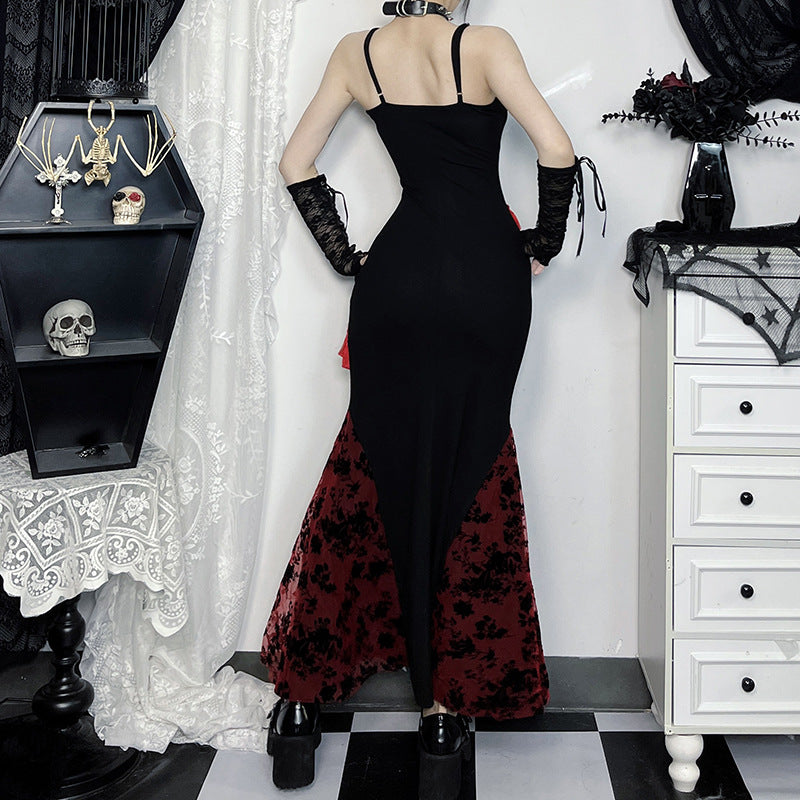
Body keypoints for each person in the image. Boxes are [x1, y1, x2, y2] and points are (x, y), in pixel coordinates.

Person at [261, 1, 584, 797]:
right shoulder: (486, 44)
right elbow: (557, 148)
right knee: (471, 464)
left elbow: (295, 161)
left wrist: (347, 257)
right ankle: (443, 716)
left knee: (368, 463)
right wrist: (539, 244)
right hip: (484, 278)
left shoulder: (356, 51)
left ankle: (301, 707)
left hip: (396, 278)